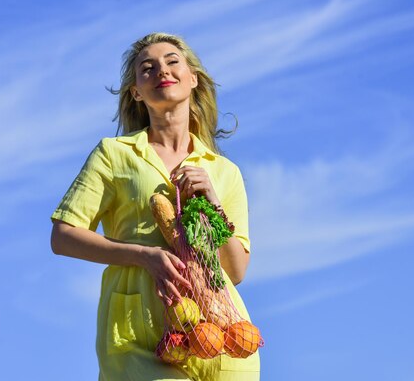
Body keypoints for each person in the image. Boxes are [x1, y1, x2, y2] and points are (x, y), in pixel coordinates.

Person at [50, 32, 260, 380]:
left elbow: (236, 271)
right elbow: (63, 236)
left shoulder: (224, 172)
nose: (161, 69)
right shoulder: (113, 154)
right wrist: (144, 255)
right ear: (135, 91)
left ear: (193, 78)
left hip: (223, 338)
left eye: (172, 61)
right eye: (147, 68)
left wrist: (214, 204)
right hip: (140, 335)